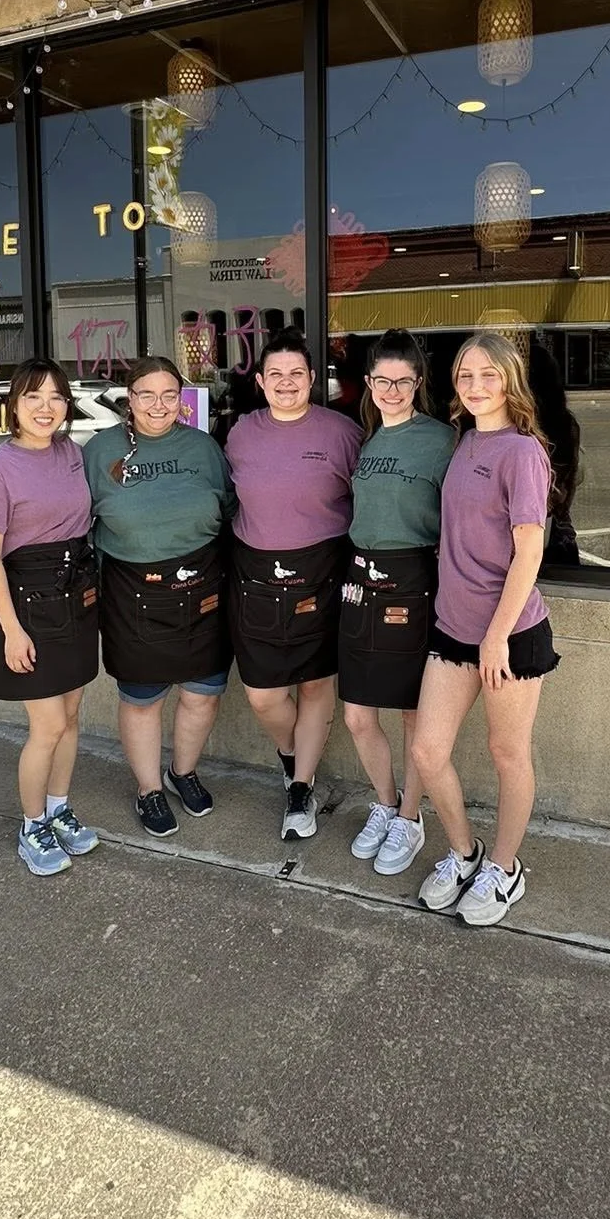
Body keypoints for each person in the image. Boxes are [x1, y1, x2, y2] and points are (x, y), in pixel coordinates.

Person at [409, 331, 559, 928]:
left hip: (509, 633)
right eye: (465, 375)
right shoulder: (466, 440)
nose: (475, 386)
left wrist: (496, 636)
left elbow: (530, 551)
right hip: (453, 628)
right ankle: (465, 852)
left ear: (510, 380)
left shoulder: (523, 452)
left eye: (487, 375)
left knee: (506, 754)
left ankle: (504, 867)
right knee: (426, 750)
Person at [83, 356, 234, 838]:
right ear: (130, 399)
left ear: (181, 400)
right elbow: (77, 519)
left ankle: (182, 773)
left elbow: (229, 506)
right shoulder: (101, 450)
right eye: (147, 394)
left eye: (170, 394)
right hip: (130, 589)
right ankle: (149, 789)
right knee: (143, 697)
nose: (159, 405)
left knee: (203, 694)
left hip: (202, 583)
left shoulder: (204, 448)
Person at [225, 327, 361, 840]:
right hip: (255, 573)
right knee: (262, 694)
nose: (287, 383)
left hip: (324, 569)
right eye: (276, 374)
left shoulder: (342, 433)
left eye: (297, 374)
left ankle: (300, 787)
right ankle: (292, 755)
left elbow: (364, 500)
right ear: (260, 381)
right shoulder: (240, 433)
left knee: (315, 683)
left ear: (312, 379)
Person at [0, 359, 102, 878]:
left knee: (71, 714)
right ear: (14, 405)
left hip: (76, 594)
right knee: (46, 724)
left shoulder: (72, 453)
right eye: (33, 397)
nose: (46, 408)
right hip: (28, 600)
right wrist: (11, 629)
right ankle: (31, 826)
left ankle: (57, 808)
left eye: (56, 398)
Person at [339, 330, 455, 878]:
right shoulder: (364, 438)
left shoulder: (442, 440)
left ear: (418, 383)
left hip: (414, 581)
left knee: (413, 713)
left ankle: (410, 817)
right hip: (360, 578)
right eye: (381, 380)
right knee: (359, 714)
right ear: (368, 384)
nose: (391, 390)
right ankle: (384, 804)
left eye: (402, 381)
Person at [529, 342, 582, 567]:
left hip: (544, 537)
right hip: (559, 531)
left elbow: (558, 492)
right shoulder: (566, 423)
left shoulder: (532, 431)